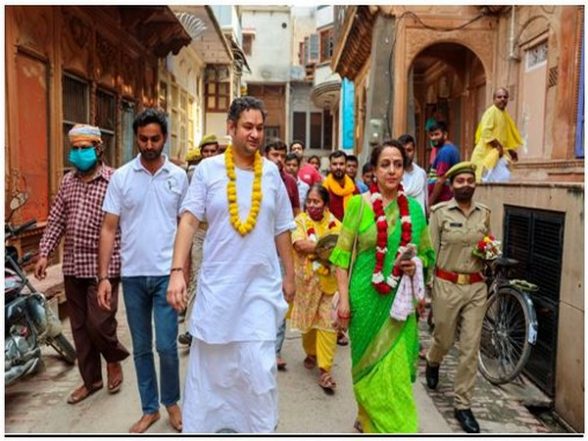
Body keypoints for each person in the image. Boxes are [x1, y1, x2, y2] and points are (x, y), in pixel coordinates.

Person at [166, 96, 296, 433]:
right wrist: (177, 272)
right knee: (214, 372)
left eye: (260, 128)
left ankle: (258, 429)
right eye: (248, 127)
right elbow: (189, 222)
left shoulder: (271, 174)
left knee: (258, 368)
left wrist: (290, 275)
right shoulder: (208, 171)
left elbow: (283, 228)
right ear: (231, 128)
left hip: (260, 289)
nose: (255, 134)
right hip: (219, 290)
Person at [330, 140, 435, 433]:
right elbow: (340, 256)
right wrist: (344, 301)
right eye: (385, 164)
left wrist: (416, 267)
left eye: (398, 165)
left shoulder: (413, 210)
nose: (392, 170)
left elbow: (427, 254)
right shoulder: (357, 206)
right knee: (366, 368)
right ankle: (368, 418)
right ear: (373, 170)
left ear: (404, 170)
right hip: (364, 298)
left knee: (396, 375)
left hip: (399, 306)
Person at [97, 108, 188, 433]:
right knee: (141, 348)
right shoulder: (121, 177)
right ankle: (149, 409)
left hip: (167, 275)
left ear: (165, 138)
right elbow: (108, 228)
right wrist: (104, 276)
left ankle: (172, 403)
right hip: (132, 276)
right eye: (143, 139)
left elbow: (185, 228)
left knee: (166, 345)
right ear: (137, 138)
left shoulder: (178, 177)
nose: (148, 145)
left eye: (155, 139)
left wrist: (183, 276)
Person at [34, 124, 130, 405]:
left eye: (84, 148)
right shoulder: (67, 181)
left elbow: (125, 223)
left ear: (98, 149)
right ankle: (92, 380)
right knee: (79, 328)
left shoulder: (115, 180)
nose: (78, 153)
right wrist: (44, 252)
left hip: (106, 265)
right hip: (74, 265)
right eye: (74, 148)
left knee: (99, 323)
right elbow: (56, 220)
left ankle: (113, 358)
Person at [425, 162, 490, 434]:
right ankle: (433, 358)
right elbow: (429, 250)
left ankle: (463, 405)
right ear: (451, 186)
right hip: (446, 285)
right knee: (444, 337)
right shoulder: (440, 213)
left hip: (476, 287)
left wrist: (490, 252)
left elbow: (486, 245)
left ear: (475, 184)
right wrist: (427, 289)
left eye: (469, 180)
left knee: (469, 347)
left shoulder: (484, 213)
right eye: (460, 181)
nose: (466, 185)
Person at [290, 184, 341, 393]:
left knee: (328, 323)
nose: (312, 205)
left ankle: (325, 369)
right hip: (307, 283)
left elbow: (340, 248)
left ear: (325, 204)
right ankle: (311, 352)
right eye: (309, 201)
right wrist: (325, 249)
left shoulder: (335, 223)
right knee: (308, 323)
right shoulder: (300, 221)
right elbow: (299, 245)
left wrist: (322, 249)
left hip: (329, 283)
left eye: (317, 202)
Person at [178, 134, 221, 346]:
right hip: (199, 232)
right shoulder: (193, 175)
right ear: (201, 153)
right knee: (196, 278)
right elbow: (187, 213)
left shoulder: (226, 174)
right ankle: (191, 329)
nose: (210, 155)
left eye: (214, 151)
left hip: (219, 233)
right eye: (206, 151)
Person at [470, 88, 523, 183]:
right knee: (489, 181)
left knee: (502, 179)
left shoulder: (504, 115)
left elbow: (503, 137)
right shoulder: (491, 112)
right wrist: (499, 146)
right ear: (494, 99)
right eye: (499, 97)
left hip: (497, 154)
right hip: (485, 154)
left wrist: (510, 150)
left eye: (505, 97)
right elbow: (486, 132)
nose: (502, 99)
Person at [427, 121, 460, 207]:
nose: (433, 138)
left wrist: (430, 204)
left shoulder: (445, 152)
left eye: (437, 134)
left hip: (442, 202)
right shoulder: (450, 149)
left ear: (445, 135)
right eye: (431, 135)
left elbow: (440, 180)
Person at [265, 138, 301, 217]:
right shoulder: (257, 176)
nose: (279, 159)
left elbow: (296, 211)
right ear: (266, 155)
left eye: (283, 156)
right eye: (275, 155)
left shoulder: (291, 181)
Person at [322, 150, 359, 222]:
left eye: (341, 164)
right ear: (330, 166)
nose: (338, 167)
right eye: (334, 164)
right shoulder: (324, 189)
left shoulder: (353, 189)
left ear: (345, 165)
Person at [399, 134, 428, 214]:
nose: (405, 154)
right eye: (403, 151)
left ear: (414, 151)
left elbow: (425, 201)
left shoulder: (421, 173)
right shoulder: (394, 174)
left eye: (409, 150)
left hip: (419, 219)